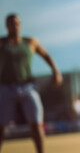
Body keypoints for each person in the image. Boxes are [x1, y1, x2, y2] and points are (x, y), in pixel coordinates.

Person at [0, 13, 62, 153]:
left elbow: (46, 55)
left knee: (36, 123)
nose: (14, 26)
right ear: (6, 26)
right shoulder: (1, 43)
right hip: (6, 87)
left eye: (17, 23)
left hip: (28, 86)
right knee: (1, 125)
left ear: (20, 25)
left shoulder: (30, 42)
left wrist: (56, 71)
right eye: (11, 23)